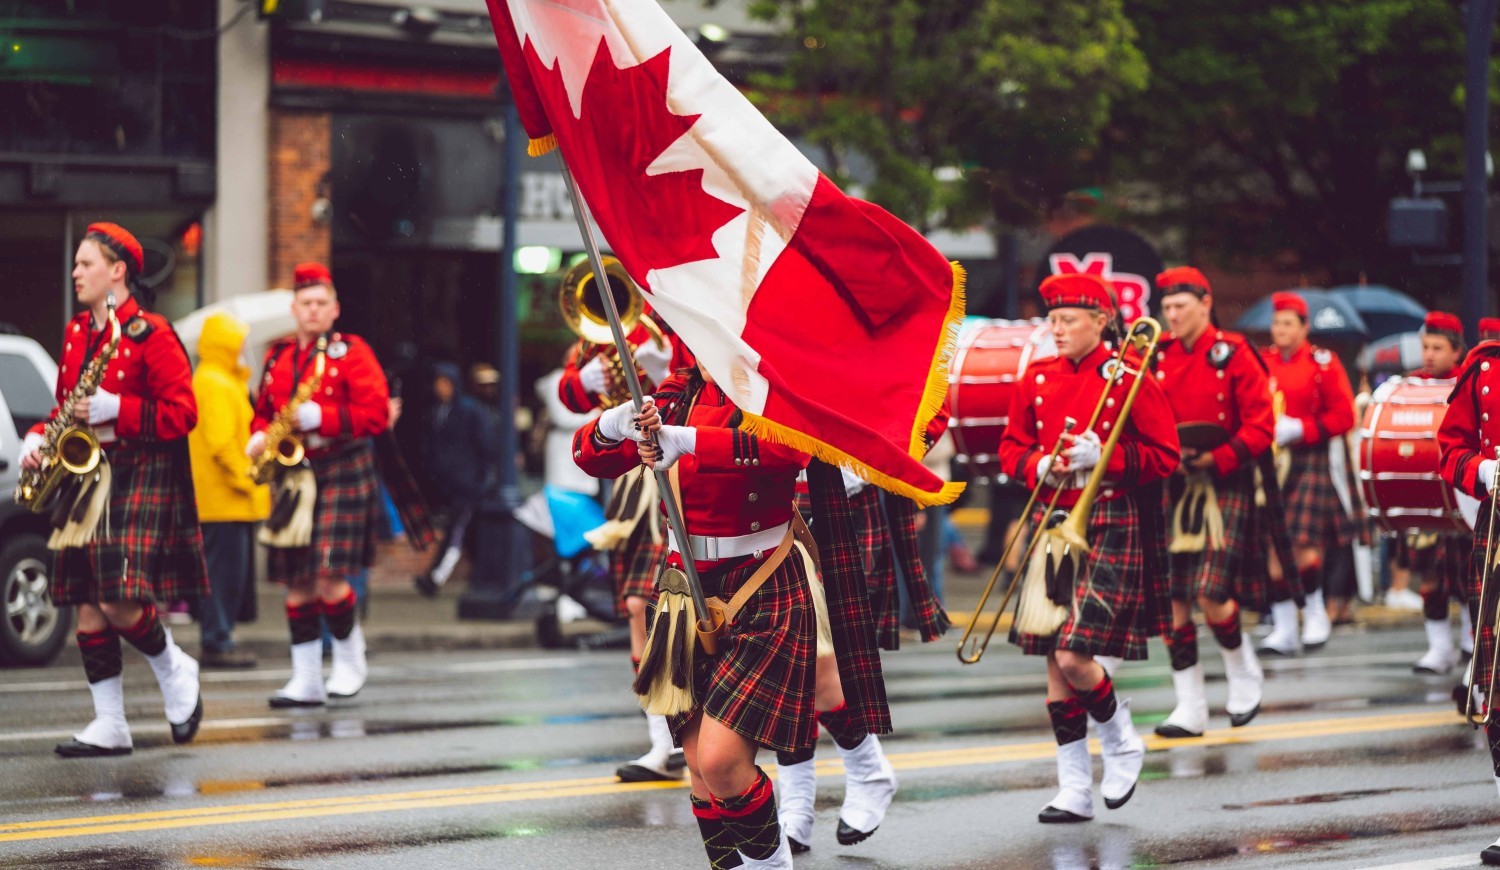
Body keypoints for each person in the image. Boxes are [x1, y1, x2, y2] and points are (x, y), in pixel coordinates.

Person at [573, 362, 813, 868]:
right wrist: (615, 424)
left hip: (759, 580)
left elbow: (792, 446)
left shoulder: (773, 385)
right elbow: (591, 457)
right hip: (684, 586)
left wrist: (689, 440)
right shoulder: (681, 389)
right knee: (702, 775)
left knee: (722, 762)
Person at [996, 272, 1180, 823]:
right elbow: (1011, 449)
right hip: (1053, 518)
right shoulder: (1034, 377)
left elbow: (1165, 456)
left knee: (1076, 655)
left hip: (1108, 515)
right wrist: (1038, 464)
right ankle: (1073, 786)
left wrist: (1106, 456)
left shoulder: (1128, 375)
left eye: (1068, 319)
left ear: (1100, 322)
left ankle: (1122, 741)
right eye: (1051, 319)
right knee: (1055, 662)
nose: (1056, 328)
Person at [20, 222, 207, 756]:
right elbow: (64, 406)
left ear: (117, 271)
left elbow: (184, 413)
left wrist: (118, 410)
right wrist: (40, 437)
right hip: (85, 471)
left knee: (119, 598)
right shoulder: (78, 331)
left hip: (135, 469)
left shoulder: (152, 333)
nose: (76, 272)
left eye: (86, 263)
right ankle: (110, 722)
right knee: (85, 601)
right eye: (77, 264)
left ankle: (175, 667)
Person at [250, 262, 390, 708]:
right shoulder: (278, 356)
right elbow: (264, 409)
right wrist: (257, 433)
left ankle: (351, 660)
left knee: (330, 575)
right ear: (294, 308)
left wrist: (324, 419)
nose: (312, 310)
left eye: (320, 303)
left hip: (343, 465)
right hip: (295, 473)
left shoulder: (352, 352)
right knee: (298, 581)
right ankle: (306, 679)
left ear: (335, 309)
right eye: (305, 303)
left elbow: (377, 413)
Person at [560, 317, 690, 783]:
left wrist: (663, 366)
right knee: (638, 604)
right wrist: (585, 380)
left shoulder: (676, 314)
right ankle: (663, 741)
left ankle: (686, 734)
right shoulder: (608, 328)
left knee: (666, 607)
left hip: (676, 466)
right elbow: (569, 397)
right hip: (632, 478)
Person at [1151, 267, 1271, 736]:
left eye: (1181, 306)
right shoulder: (1156, 356)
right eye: (1167, 308)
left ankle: (1243, 671)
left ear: (1205, 302)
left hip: (1225, 481)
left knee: (1211, 592)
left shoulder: (1234, 353)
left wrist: (1217, 456)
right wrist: (1168, 456)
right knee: (1174, 603)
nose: (1173, 315)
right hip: (1175, 483)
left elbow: (1261, 425)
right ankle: (1190, 705)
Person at [1258, 292, 1357, 656]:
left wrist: (1301, 428)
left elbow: (1345, 416)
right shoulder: (1263, 361)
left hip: (1309, 456)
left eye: (1288, 323)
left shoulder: (1323, 363)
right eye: (1276, 323)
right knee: (1274, 546)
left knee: (1303, 545)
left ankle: (1315, 612)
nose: (1280, 330)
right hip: (1271, 462)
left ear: (1304, 327)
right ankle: (1284, 629)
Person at [1435, 330, 1500, 866]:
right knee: (1499, 675)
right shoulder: (1483, 368)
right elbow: (1449, 448)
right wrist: (1479, 469)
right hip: (1498, 525)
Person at [188, 311, 270, 669]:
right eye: (238, 342)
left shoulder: (221, 380)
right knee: (221, 577)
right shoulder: (213, 383)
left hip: (226, 500)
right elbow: (221, 445)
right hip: (221, 499)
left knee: (226, 576)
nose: (244, 349)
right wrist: (249, 477)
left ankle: (219, 637)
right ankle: (217, 640)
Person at [1396, 311, 1473, 674]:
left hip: (1460, 496)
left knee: (1468, 576)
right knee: (1429, 577)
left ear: (1457, 352)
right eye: (1425, 347)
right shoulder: (1412, 386)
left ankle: (1472, 641)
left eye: (1437, 348)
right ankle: (1439, 649)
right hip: (1425, 496)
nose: (1428, 354)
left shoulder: (1469, 383)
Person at [414, 362, 498, 597]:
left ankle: (435, 577)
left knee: (457, 530)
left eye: (444, 382)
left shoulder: (470, 410)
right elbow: (430, 447)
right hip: (448, 484)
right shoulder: (436, 412)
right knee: (468, 533)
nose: (439, 388)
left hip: (469, 483)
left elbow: (486, 446)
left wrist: (481, 478)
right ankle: (482, 576)